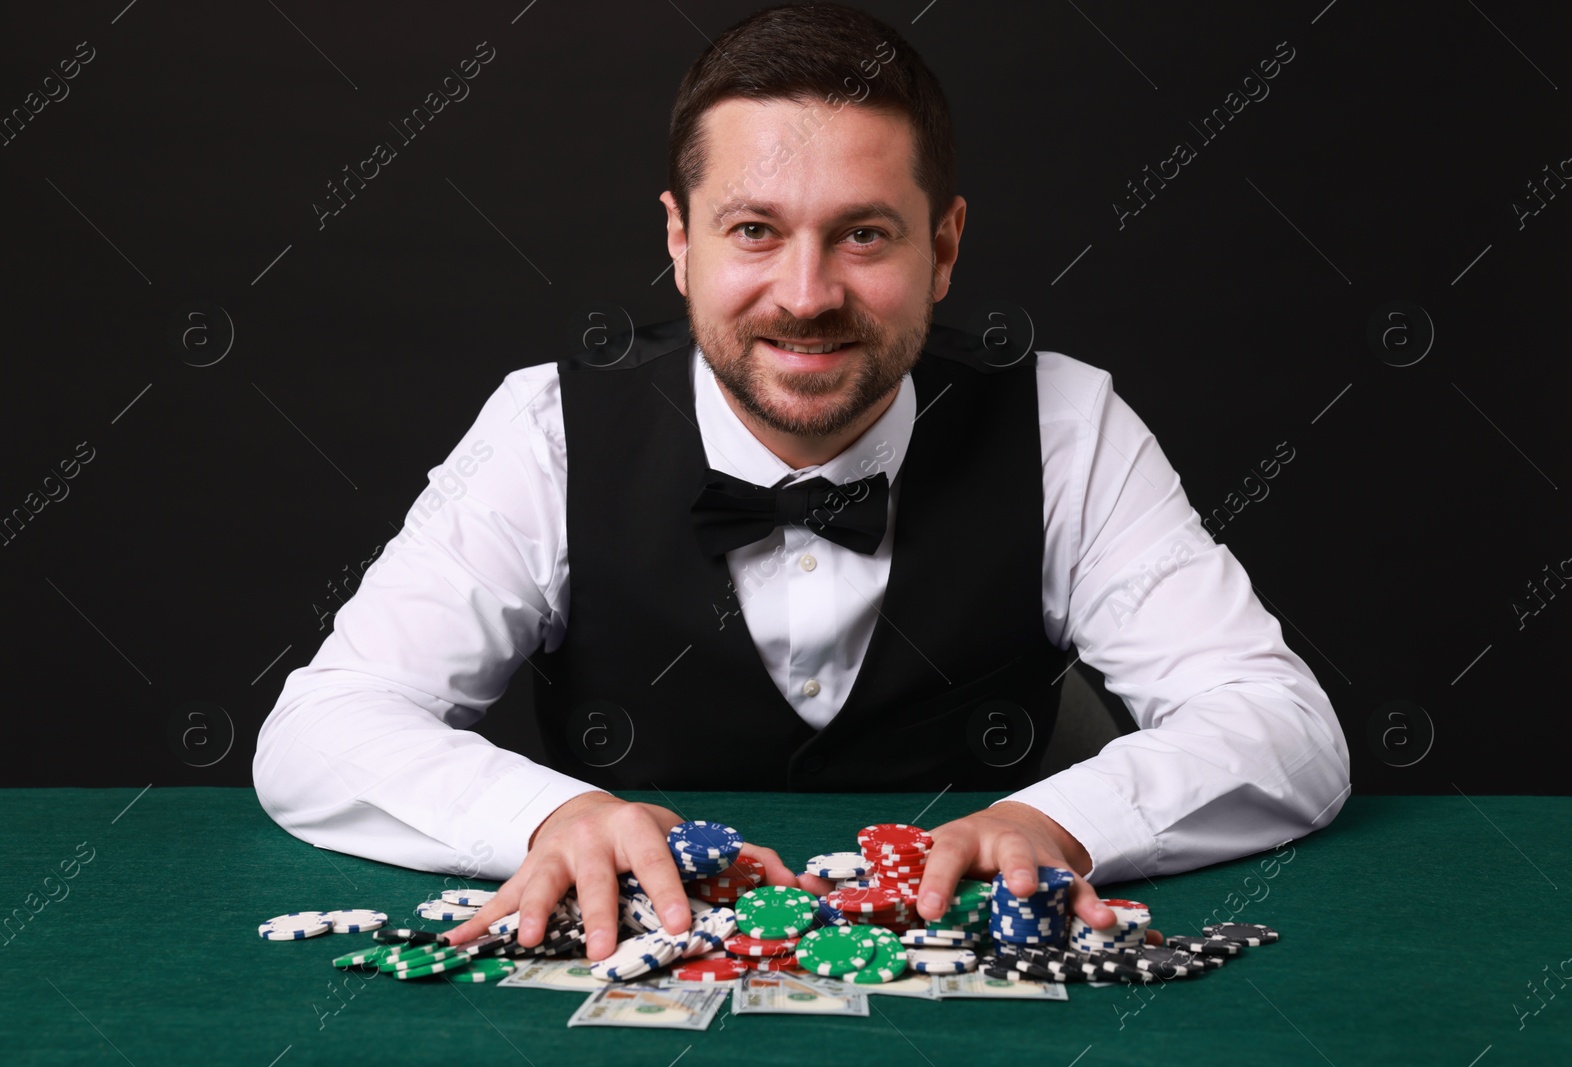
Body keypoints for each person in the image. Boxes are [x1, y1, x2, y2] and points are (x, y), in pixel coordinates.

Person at [253, 3, 1349, 962]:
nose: (806, 292)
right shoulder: (544, 428)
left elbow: (1282, 724)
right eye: (753, 232)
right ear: (679, 243)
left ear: (946, 246)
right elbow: (320, 729)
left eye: (863, 234)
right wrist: (548, 812)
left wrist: (1057, 819)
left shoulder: (1062, 419)